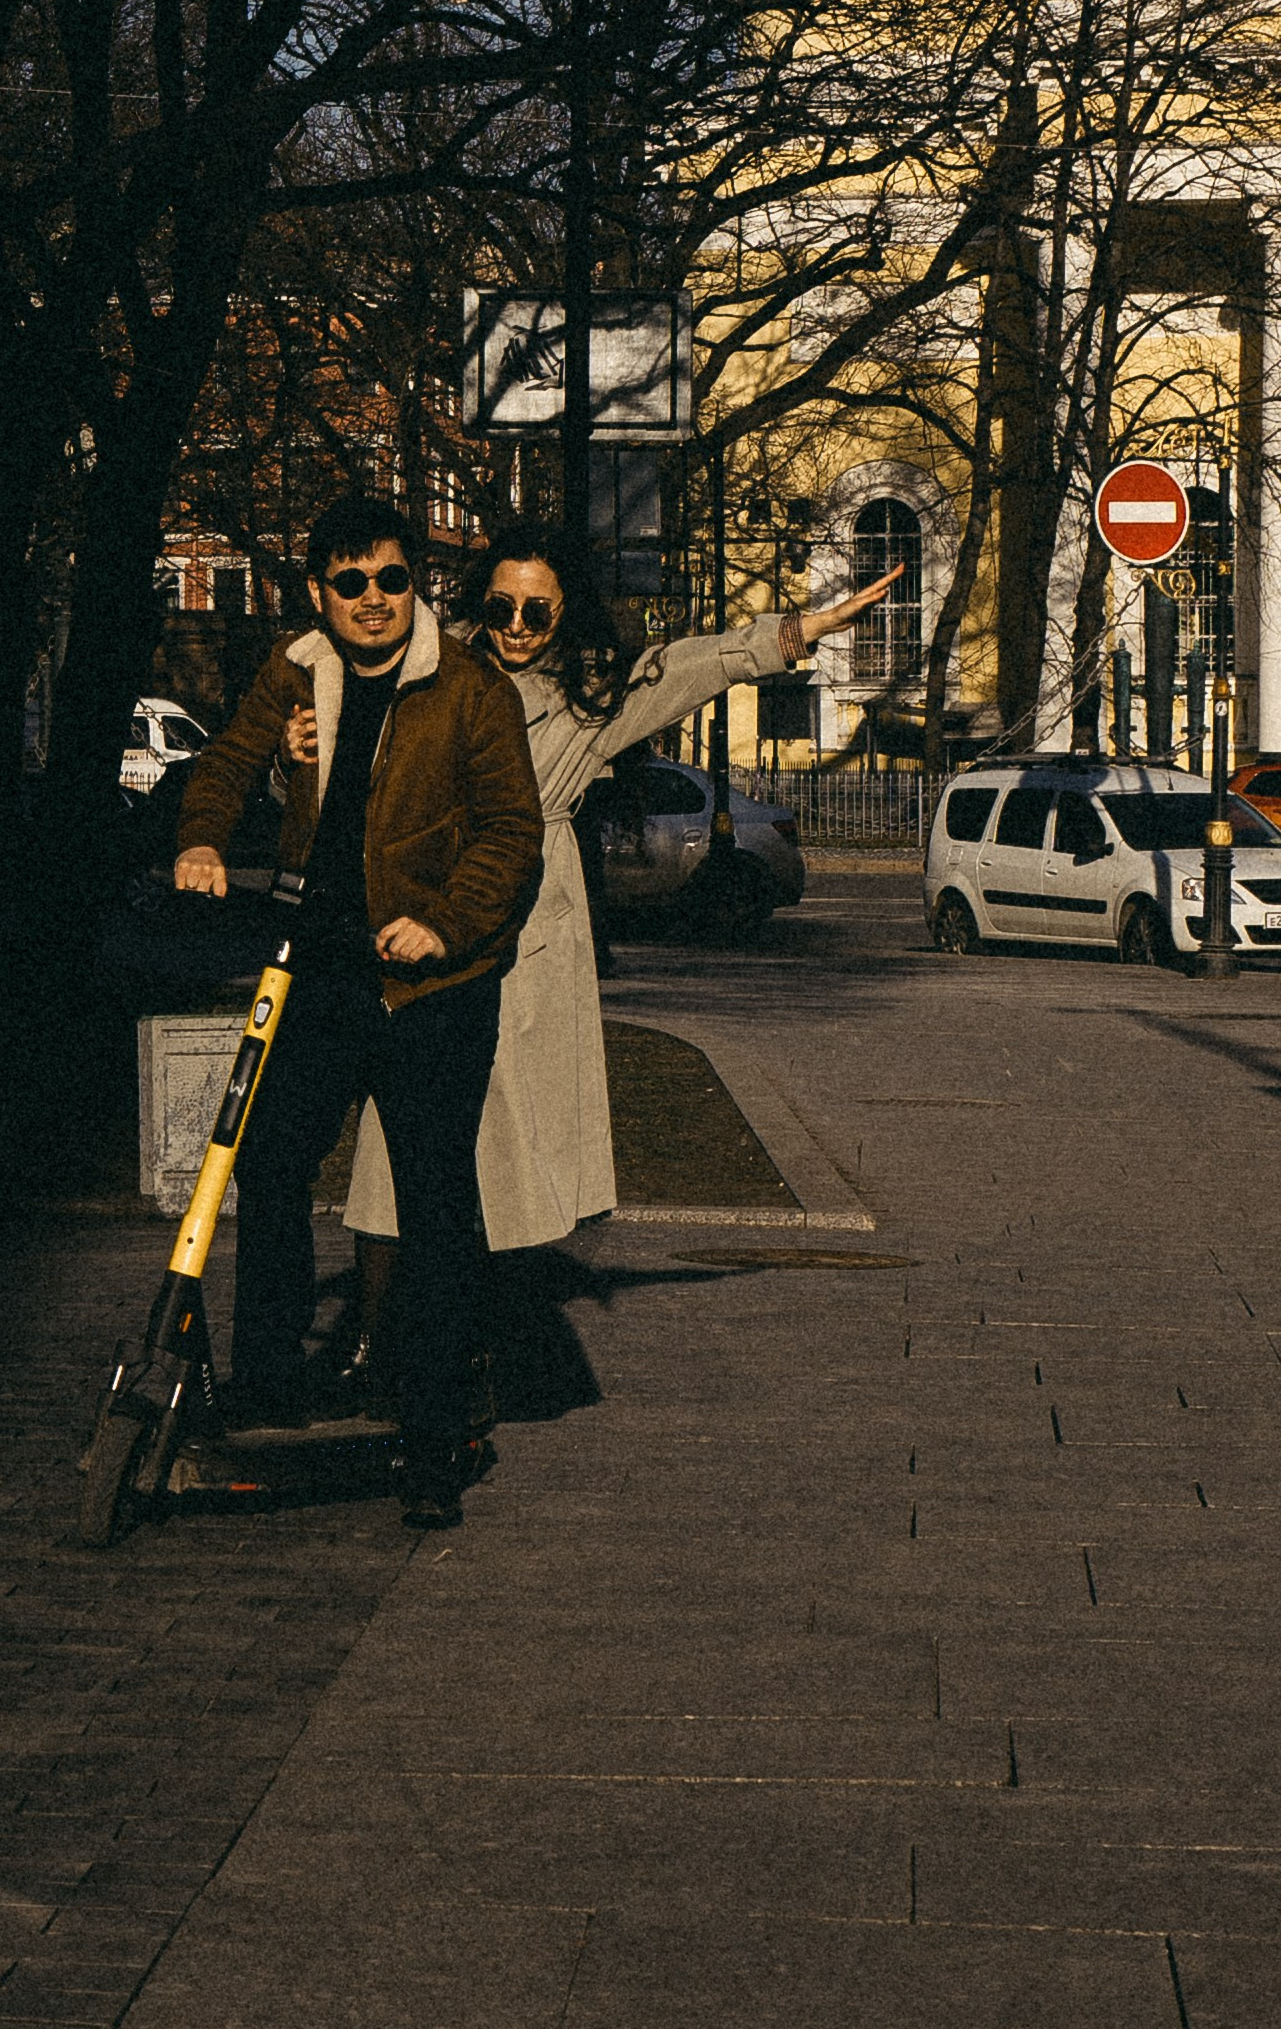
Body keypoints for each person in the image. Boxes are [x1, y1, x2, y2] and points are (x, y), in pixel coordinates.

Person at [326, 536, 899, 1346]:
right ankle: (374, 1341)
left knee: (509, 1135)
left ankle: (480, 1337)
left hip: (528, 936)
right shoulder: (429, 668)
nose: (516, 626)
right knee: (393, 1135)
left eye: (537, 612)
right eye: (500, 606)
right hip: (427, 916)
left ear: (565, 615)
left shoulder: (591, 695)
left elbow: (694, 665)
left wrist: (800, 629)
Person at [171, 491, 544, 1526]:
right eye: (350, 581)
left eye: (391, 578)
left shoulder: (468, 689)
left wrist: (444, 925)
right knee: (268, 1163)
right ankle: (269, 1386)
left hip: (433, 988)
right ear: (318, 591)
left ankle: (431, 1438)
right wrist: (201, 838)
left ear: (414, 583)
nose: (373, 599)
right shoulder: (295, 671)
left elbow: (511, 834)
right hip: (323, 972)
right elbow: (228, 760)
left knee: (432, 1202)